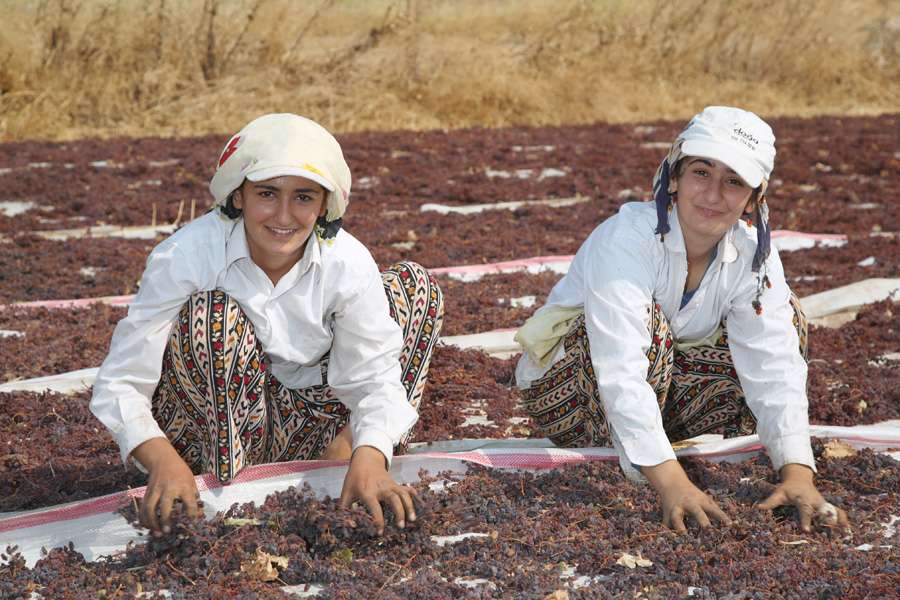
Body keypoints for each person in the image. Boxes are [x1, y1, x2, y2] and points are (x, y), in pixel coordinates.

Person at [90, 113, 444, 537]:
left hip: (313, 421)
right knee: (212, 316)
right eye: (267, 193)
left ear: (323, 204)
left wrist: (372, 455)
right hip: (213, 428)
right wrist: (162, 460)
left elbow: (375, 377)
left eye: (303, 197)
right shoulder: (187, 254)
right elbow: (122, 380)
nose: (283, 215)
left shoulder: (346, 261)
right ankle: (219, 476)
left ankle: (344, 453)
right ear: (238, 196)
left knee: (413, 287)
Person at [514, 106, 849, 534]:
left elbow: (775, 363)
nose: (713, 195)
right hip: (570, 396)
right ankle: (653, 461)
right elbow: (619, 365)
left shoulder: (752, 255)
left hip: (662, 386)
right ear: (674, 176)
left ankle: (657, 448)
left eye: (733, 182)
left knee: (787, 317)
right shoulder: (628, 239)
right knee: (650, 331)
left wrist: (797, 472)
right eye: (701, 172)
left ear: (753, 197)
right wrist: (674, 484)